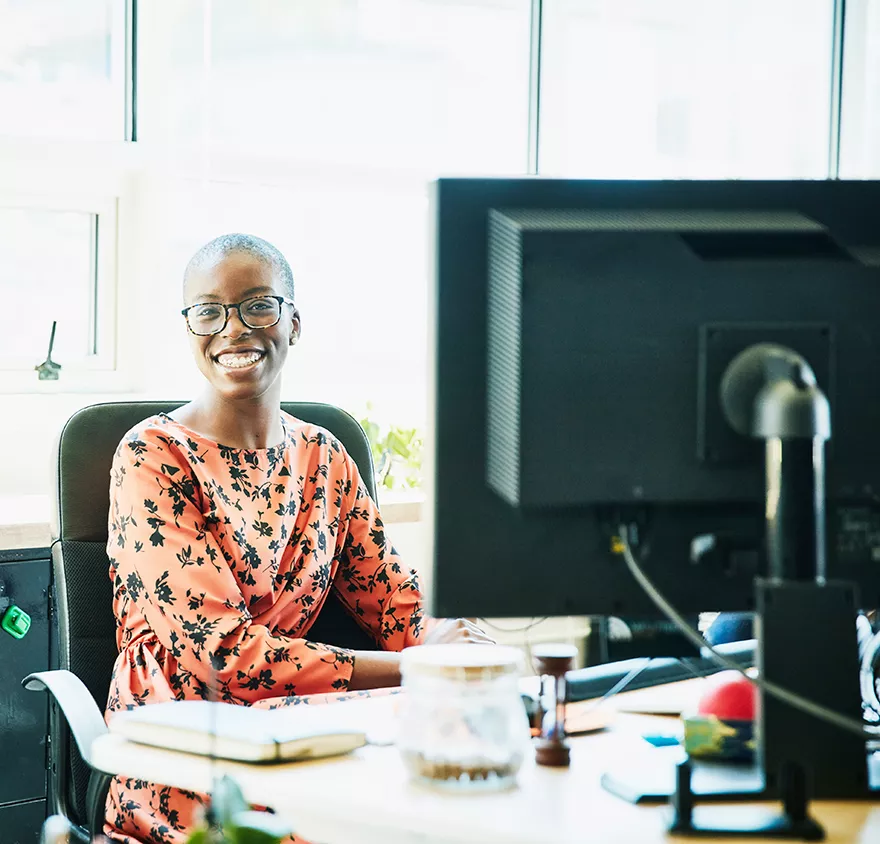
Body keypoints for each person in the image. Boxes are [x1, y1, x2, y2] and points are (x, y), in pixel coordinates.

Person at [103, 233, 491, 843]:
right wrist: (416, 669)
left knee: (487, 773)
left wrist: (460, 647)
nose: (233, 329)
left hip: (298, 722)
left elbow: (393, 598)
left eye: (258, 304)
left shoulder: (324, 457)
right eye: (208, 311)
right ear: (189, 328)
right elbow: (221, 656)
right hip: (185, 737)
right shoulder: (153, 456)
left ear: (294, 321)